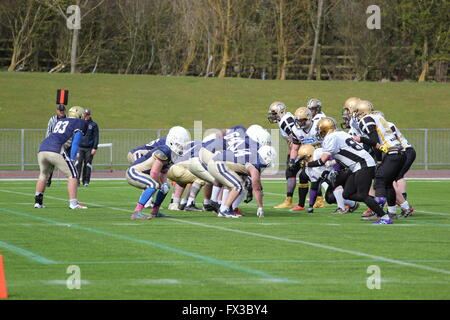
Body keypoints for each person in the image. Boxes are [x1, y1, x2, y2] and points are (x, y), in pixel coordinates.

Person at [305, 117, 387, 224]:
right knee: (347, 194)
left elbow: (321, 161)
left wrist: (307, 164)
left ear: (325, 129)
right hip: (359, 164)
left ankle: (385, 217)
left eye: (320, 130)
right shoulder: (342, 134)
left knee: (362, 195)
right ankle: (377, 200)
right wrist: (378, 146)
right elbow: (361, 139)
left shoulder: (330, 138)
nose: (319, 133)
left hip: (362, 164)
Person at [353, 101, 408, 223]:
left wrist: (362, 140)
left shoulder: (366, 119)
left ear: (362, 112)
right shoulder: (377, 117)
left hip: (392, 153)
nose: (356, 115)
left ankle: (380, 214)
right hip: (400, 152)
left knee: (379, 181)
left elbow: (375, 142)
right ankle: (392, 213)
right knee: (388, 183)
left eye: (357, 112)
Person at [127, 126, 191, 220]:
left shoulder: (172, 154)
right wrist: (161, 184)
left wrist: (164, 185)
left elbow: (163, 172)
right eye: (179, 144)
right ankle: (137, 212)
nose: (181, 147)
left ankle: (155, 211)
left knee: (166, 187)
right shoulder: (164, 150)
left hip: (141, 173)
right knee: (153, 184)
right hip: (134, 172)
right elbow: (153, 173)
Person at [34, 106, 88, 210]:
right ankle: (73, 203)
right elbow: (76, 142)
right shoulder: (79, 122)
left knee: (43, 175)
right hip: (56, 148)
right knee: (73, 174)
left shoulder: (62, 120)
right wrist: (71, 158)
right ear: (80, 115)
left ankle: (38, 203)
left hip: (43, 147)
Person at [207, 144, 277, 218]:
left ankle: (227, 208)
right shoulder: (256, 163)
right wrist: (260, 207)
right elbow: (256, 188)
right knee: (237, 186)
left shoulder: (252, 154)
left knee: (238, 182)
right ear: (266, 157)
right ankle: (224, 210)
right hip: (218, 164)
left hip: (215, 162)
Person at [75, 109, 99, 186]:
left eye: (88, 114)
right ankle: (77, 181)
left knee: (87, 164)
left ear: (89, 115)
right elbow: (76, 135)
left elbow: (96, 137)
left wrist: (94, 148)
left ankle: (86, 181)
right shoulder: (80, 124)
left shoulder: (93, 125)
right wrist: (76, 148)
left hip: (89, 148)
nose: (86, 116)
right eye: (85, 114)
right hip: (80, 147)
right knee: (78, 164)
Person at [45, 103, 67, 187]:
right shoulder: (52, 119)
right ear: (57, 111)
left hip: (65, 143)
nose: (61, 112)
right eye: (60, 110)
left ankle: (72, 180)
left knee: (68, 162)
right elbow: (49, 131)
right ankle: (48, 180)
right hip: (54, 143)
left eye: (62, 110)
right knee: (51, 163)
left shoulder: (68, 119)